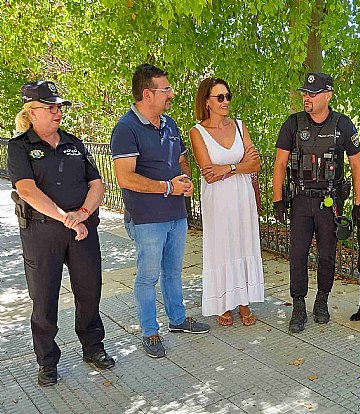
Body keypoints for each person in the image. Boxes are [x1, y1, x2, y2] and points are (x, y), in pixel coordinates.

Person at [8, 81, 115, 387]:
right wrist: (66, 218)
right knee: (44, 299)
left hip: (82, 230)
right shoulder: (20, 147)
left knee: (89, 291)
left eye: (59, 107)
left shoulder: (74, 143)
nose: (58, 112)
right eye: (51, 107)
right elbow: (27, 190)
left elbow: (97, 184)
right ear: (33, 111)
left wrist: (81, 214)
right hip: (42, 234)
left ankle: (93, 348)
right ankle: (47, 361)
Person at [110, 64, 210, 359]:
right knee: (148, 276)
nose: (171, 94)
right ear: (147, 94)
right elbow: (125, 177)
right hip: (147, 219)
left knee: (173, 272)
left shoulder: (170, 124)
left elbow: (181, 160)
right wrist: (168, 187)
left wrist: (186, 179)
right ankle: (150, 332)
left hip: (176, 215)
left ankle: (177, 320)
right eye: (165, 89)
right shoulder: (126, 128)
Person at [272, 72, 360, 333]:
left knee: (326, 256)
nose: (306, 98)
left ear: (328, 95)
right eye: (304, 93)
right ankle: (298, 305)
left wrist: (358, 203)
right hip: (300, 200)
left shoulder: (343, 125)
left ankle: (321, 300)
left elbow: (356, 166)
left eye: (312, 94)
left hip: (330, 203)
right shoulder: (293, 124)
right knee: (298, 254)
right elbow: (279, 163)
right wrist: (278, 200)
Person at [189, 77, 264, 326]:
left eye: (228, 96)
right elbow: (209, 173)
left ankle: (244, 301)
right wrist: (239, 166)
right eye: (219, 97)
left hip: (243, 196)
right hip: (217, 200)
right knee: (222, 246)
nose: (226, 101)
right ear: (207, 102)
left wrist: (229, 168)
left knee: (244, 244)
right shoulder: (197, 132)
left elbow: (256, 164)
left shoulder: (241, 127)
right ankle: (223, 302)